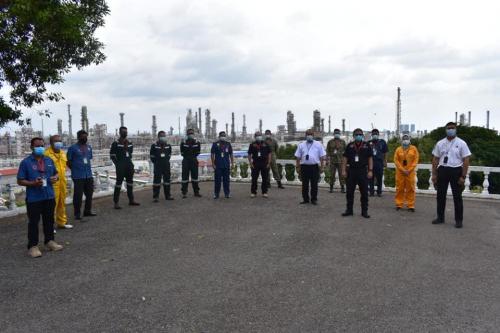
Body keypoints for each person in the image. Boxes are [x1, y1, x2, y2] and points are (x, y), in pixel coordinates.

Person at [17, 137, 63, 258]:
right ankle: (33, 246)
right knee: (33, 222)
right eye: (37, 146)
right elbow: (20, 180)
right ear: (32, 148)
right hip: (34, 198)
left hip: (48, 195)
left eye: (42, 145)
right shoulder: (26, 162)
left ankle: (49, 241)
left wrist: (56, 178)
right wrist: (33, 183)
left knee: (49, 220)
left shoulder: (48, 160)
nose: (40, 148)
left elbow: (56, 173)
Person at [431, 122, 471, 228]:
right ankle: (440, 217)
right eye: (449, 128)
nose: (450, 130)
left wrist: (463, 176)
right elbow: (435, 159)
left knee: (457, 197)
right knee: (440, 195)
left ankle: (459, 220)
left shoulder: (462, 143)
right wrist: (434, 174)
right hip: (443, 170)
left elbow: (466, 160)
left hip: (456, 170)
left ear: (456, 129)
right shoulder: (440, 143)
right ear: (446, 130)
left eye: (452, 128)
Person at [341, 128, 373, 218]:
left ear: (362, 136)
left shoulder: (367, 145)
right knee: (349, 192)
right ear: (354, 136)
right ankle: (349, 210)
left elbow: (370, 158)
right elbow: (345, 158)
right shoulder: (350, 146)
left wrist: (370, 170)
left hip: (363, 171)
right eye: (356, 134)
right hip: (351, 171)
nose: (358, 136)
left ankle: (364, 211)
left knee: (364, 193)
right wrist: (343, 170)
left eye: (360, 134)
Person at [67, 130, 96, 220]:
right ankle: (77, 213)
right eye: (83, 136)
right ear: (78, 137)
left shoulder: (89, 147)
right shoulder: (72, 148)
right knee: (78, 195)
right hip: (78, 176)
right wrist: (75, 169)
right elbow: (68, 161)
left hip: (88, 174)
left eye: (86, 136)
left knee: (89, 194)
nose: (85, 138)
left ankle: (87, 211)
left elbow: (89, 158)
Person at [44, 135, 72, 229]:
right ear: (51, 143)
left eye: (60, 141)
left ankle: (62, 222)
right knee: (52, 205)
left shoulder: (63, 153)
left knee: (62, 203)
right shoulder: (46, 154)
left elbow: (65, 166)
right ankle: (50, 226)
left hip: (62, 182)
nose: (58, 143)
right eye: (56, 141)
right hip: (52, 183)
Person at [110, 126, 140, 209]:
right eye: (123, 131)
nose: (125, 133)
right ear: (120, 133)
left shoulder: (129, 143)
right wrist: (118, 164)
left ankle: (131, 200)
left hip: (129, 165)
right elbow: (112, 155)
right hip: (120, 166)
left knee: (130, 183)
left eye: (126, 131)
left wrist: (130, 164)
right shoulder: (115, 143)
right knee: (118, 184)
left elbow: (130, 154)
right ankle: (116, 203)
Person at [294, 129, 326, 205]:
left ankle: (314, 199)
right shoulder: (301, 145)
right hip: (304, 167)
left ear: (313, 135)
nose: (309, 136)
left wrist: (322, 167)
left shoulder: (318, 144)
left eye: (311, 134)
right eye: (308, 134)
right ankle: (305, 199)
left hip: (314, 167)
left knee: (314, 184)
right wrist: (297, 167)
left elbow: (322, 157)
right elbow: (298, 157)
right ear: (305, 135)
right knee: (304, 184)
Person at [394, 134, 420, 212]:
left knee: (411, 189)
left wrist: (410, 169)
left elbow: (416, 160)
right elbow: (396, 160)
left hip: (410, 172)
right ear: (402, 140)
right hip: (400, 173)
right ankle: (399, 204)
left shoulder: (414, 149)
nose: (405, 140)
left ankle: (411, 205)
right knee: (399, 189)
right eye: (404, 139)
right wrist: (402, 169)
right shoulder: (398, 149)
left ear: (409, 140)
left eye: (407, 138)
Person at [150, 131, 174, 202]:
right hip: (158, 166)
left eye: (164, 136)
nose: (163, 137)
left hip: (166, 166)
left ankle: (168, 195)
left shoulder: (168, 146)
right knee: (157, 181)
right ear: (158, 137)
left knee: (167, 181)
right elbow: (152, 157)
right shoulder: (154, 146)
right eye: (161, 136)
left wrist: (165, 161)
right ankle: (156, 197)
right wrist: (157, 162)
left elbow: (169, 155)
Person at [211, 131, 234, 199]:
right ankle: (216, 194)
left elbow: (231, 154)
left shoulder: (228, 144)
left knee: (226, 181)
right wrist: (213, 163)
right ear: (219, 136)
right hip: (218, 165)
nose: (223, 137)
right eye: (222, 135)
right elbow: (212, 154)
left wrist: (232, 163)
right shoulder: (215, 144)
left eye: (224, 135)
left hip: (226, 165)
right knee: (217, 181)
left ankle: (227, 194)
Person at [248, 131, 272, 198]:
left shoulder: (266, 144)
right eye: (257, 136)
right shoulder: (252, 144)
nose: (259, 137)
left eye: (260, 135)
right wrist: (250, 163)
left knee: (265, 179)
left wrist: (269, 163)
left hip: (264, 163)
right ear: (255, 137)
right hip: (255, 163)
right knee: (254, 179)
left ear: (262, 136)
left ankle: (264, 192)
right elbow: (249, 154)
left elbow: (269, 153)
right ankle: (253, 192)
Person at [180, 128, 202, 198]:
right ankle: (184, 193)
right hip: (186, 161)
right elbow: (182, 152)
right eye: (189, 133)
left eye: (192, 133)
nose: (191, 135)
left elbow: (198, 152)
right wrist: (188, 156)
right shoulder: (183, 142)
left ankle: (196, 192)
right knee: (185, 178)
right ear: (187, 134)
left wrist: (192, 156)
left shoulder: (197, 142)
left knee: (195, 177)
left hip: (194, 160)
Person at [368, 129, 388, 197]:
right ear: (371, 135)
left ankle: (379, 192)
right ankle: (371, 192)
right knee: (371, 178)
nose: (375, 135)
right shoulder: (369, 143)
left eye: (376, 134)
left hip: (379, 163)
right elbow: (365, 153)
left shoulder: (382, 142)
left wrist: (385, 161)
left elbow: (385, 152)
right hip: (371, 163)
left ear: (378, 135)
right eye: (373, 134)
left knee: (379, 178)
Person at [326, 128, 346, 193]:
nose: (336, 134)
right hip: (332, 161)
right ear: (333, 134)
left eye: (338, 133)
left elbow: (346, 152)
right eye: (335, 133)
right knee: (331, 175)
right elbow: (327, 151)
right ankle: (331, 188)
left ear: (339, 134)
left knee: (341, 175)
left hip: (341, 161)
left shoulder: (343, 142)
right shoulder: (330, 142)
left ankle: (342, 188)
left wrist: (346, 161)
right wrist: (327, 160)